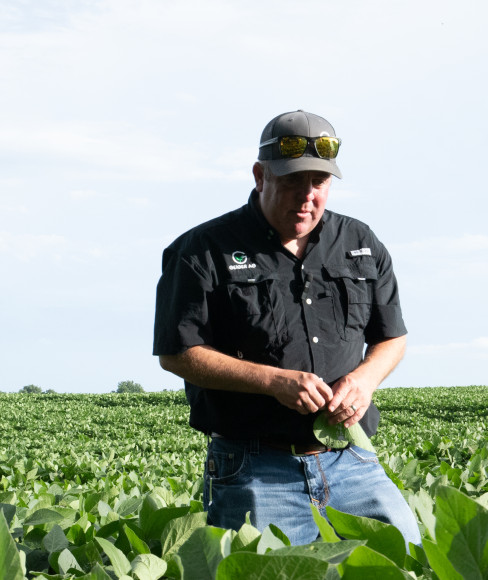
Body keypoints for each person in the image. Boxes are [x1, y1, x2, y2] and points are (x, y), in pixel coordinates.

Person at [152, 110, 419, 545]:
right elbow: (178, 352)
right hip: (256, 466)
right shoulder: (203, 250)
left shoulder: (360, 242)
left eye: (319, 183)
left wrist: (363, 381)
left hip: (350, 458)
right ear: (260, 176)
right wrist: (273, 381)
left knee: (408, 558)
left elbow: (392, 337)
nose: (307, 196)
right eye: (293, 182)